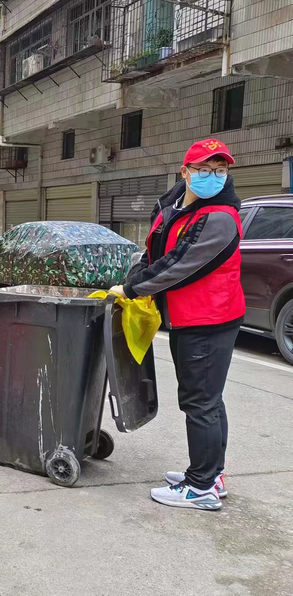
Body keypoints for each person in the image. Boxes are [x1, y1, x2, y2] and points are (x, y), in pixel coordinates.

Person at [111, 138, 244, 511]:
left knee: (200, 402)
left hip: (209, 319)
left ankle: (201, 487)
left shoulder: (219, 216)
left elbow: (180, 264)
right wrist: (136, 274)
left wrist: (131, 288)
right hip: (192, 315)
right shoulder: (177, 205)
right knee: (207, 399)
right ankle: (211, 474)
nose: (213, 176)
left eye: (220, 170)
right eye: (204, 169)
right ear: (185, 172)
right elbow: (157, 251)